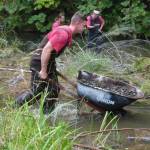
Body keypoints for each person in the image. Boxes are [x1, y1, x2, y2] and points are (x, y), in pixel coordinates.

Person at [15, 12, 85, 113]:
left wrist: (51, 68)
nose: (85, 27)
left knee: (54, 90)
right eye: (84, 25)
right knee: (36, 92)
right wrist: (43, 70)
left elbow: (52, 51)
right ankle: (13, 107)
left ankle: (46, 114)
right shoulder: (63, 34)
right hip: (39, 62)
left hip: (49, 63)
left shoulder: (67, 33)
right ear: (78, 22)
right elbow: (46, 50)